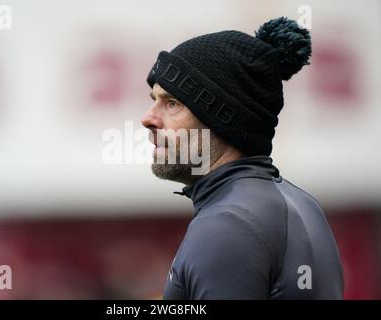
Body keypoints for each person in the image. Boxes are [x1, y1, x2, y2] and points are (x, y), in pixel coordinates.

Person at [141, 17, 344, 299]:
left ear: (222, 121)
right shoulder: (304, 205)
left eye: (172, 103)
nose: (148, 119)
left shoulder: (224, 225)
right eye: (153, 99)